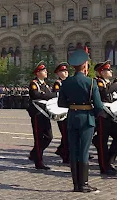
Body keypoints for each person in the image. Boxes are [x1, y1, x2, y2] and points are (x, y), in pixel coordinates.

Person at [57, 49, 104, 192]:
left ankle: (75, 184)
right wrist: (92, 115)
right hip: (87, 119)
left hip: (72, 118)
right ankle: (83, 184)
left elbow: (61, 103)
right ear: (85, 65)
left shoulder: (66, 82)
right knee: (83, 151)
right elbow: (99, 106)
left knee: (74, 151)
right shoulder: (91, 82)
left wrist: (73, 105)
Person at [28, 61, 56, 170]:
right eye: (44, 71)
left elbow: (50, 95)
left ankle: (35, 153)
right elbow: (35, 95)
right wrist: (47, 95)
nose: (46, 72)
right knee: (39, 138)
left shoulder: (45, 85)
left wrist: (46, 95)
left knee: (49, 137)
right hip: (37, 114)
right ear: (38, 72)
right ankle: (39, 162)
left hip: (45, 114)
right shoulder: (34, 84)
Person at [52, 63, 69, 164]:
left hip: (69, 110)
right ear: (58, 73)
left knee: (68, 134)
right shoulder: (58, 83)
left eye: (66, 71)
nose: (65, 72)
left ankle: (62, 150)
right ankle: (65, 155)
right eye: (62, 71)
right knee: (65, 133)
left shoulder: (69, 82)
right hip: (61, 111)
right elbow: (58, 95)